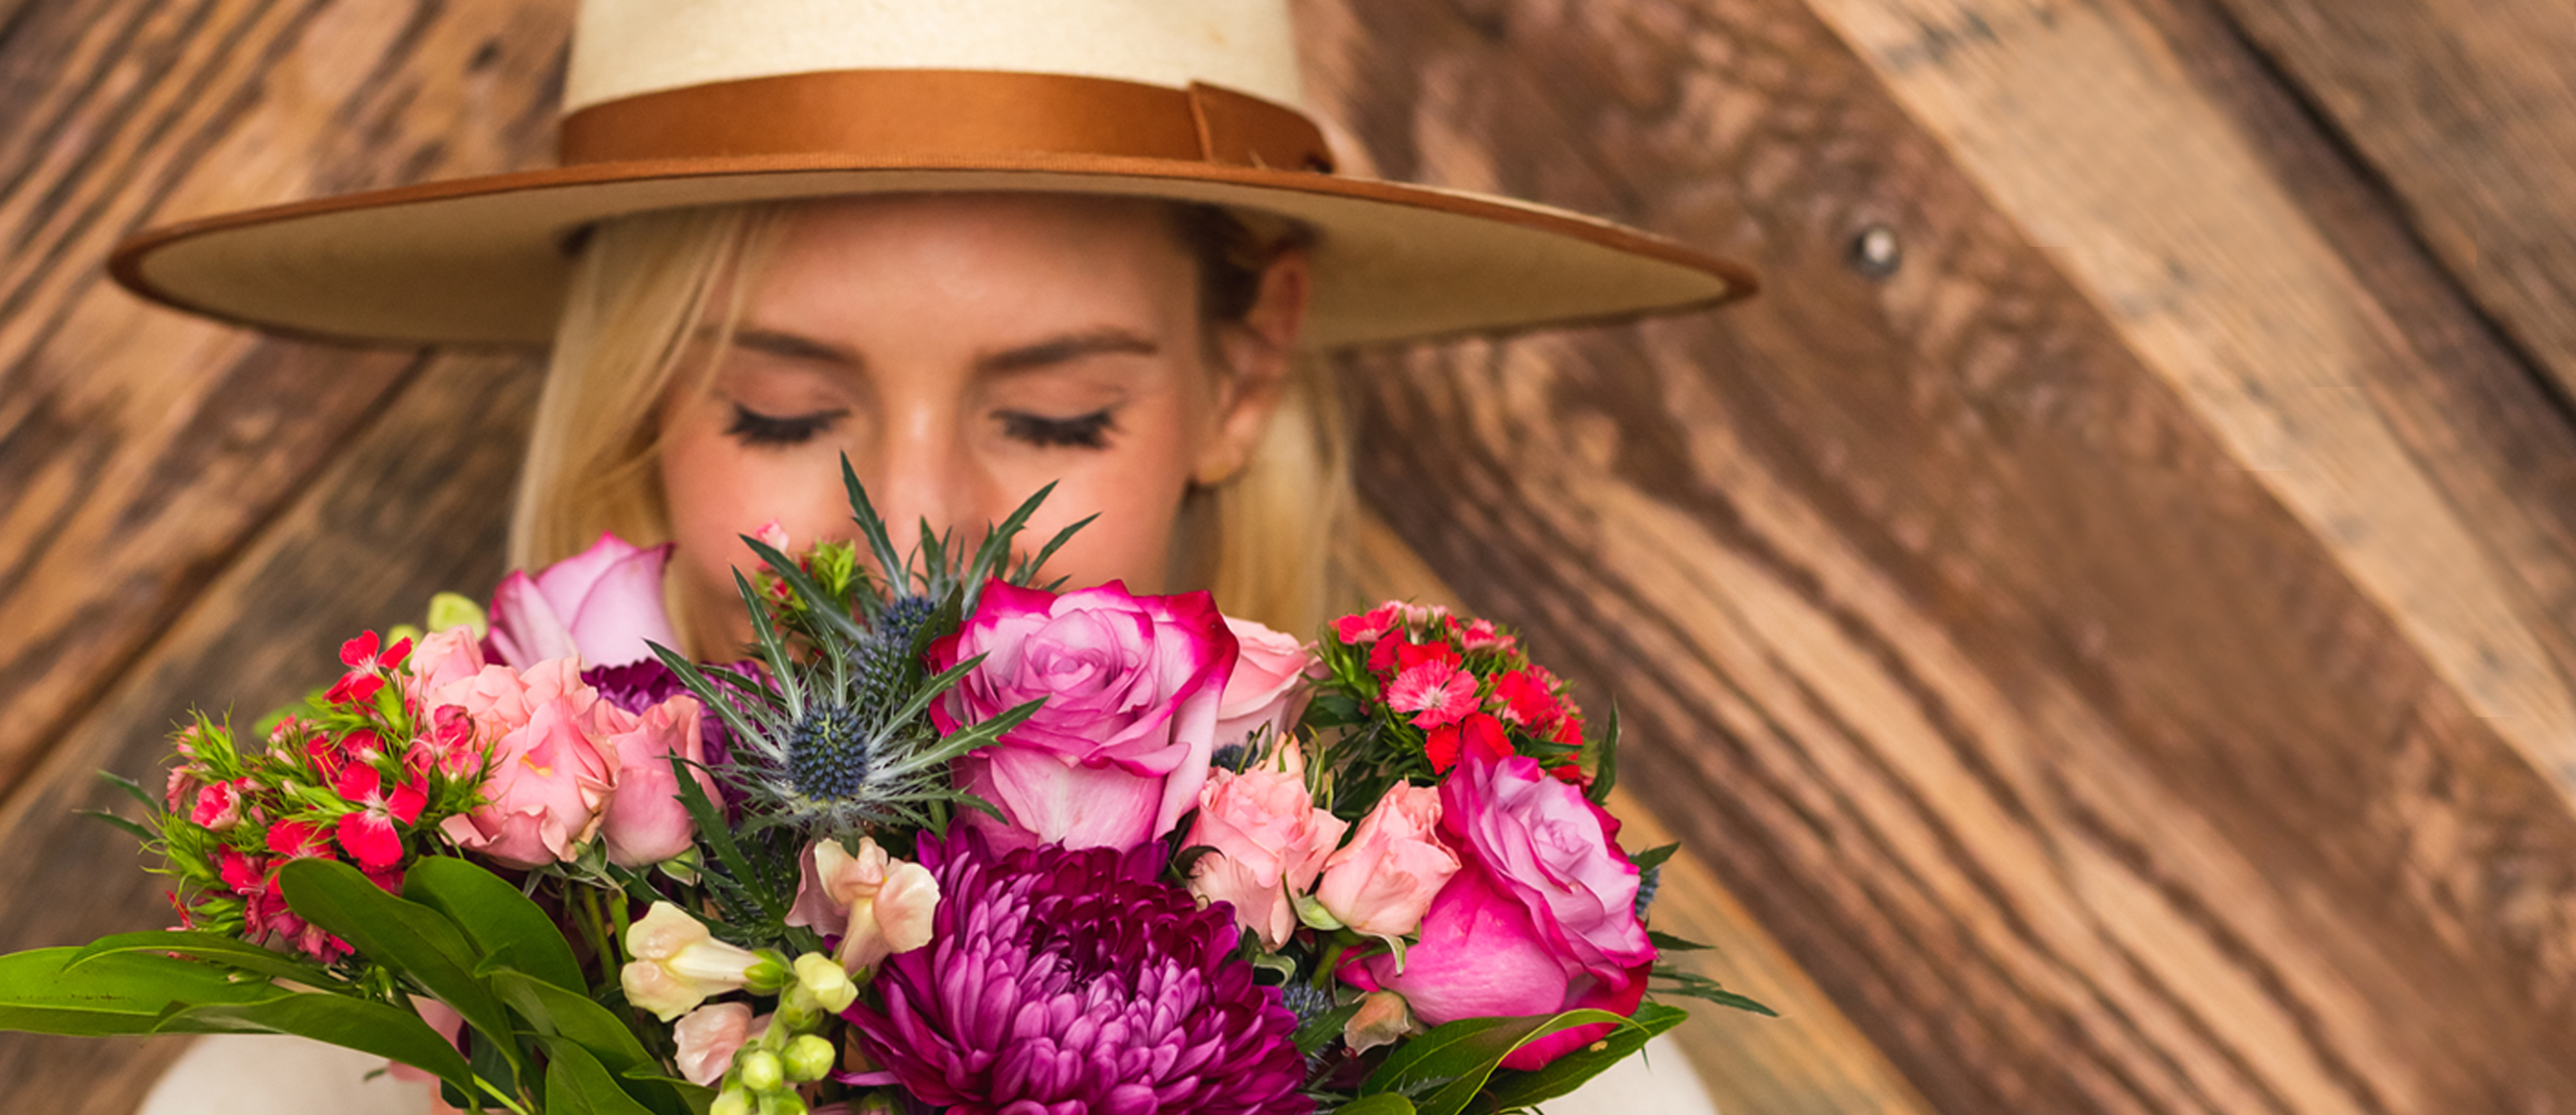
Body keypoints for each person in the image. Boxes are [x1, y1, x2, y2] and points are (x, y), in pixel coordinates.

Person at [113, 1, 1751, 1110]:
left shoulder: (1527, 1062)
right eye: (774, 410)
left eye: (1048, 421)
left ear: (1241, 378)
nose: (910, 546)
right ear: (640, 391)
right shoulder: (335, 1064)